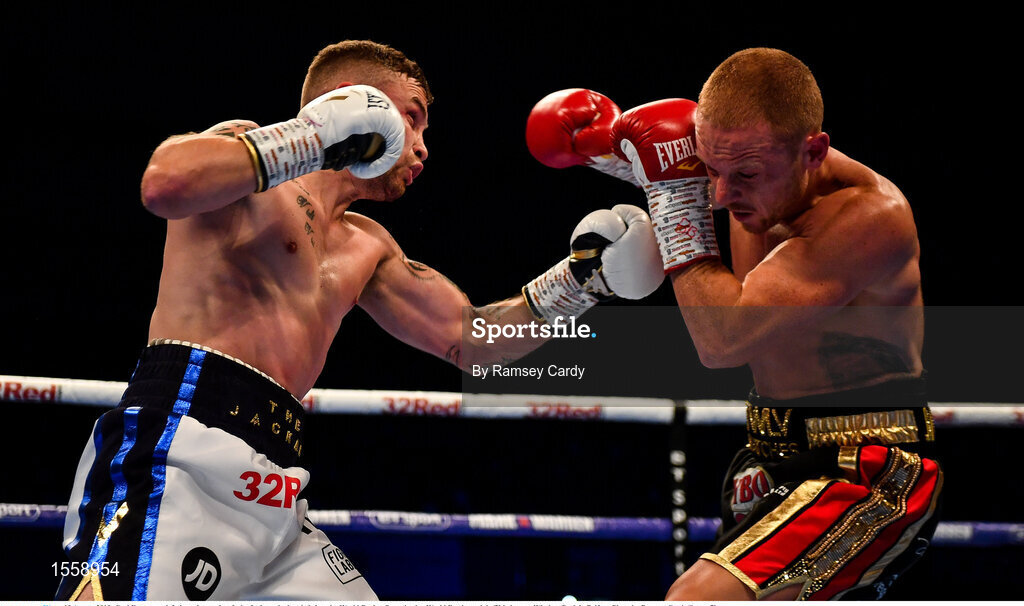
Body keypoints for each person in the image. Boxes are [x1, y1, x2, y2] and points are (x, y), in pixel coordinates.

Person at [55, 39, 664, 600]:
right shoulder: (248, 164)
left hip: (274, 484)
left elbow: (471, 343)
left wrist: (583, 282)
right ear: (355, 102)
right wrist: (312, 137)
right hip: (176, 448)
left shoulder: (367, 247)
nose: (423, 145)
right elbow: (164, 183)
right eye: (414, 115)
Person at [529, 48, 942, 601]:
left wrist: (672, 195)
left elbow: (723, 341)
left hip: (866, 466)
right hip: (768, 453)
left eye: (744, 174)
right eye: (711, 169)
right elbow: (676, 166)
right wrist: (599, 151)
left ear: (813, 151)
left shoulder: (866, 217)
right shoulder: (750, 170)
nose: (722, 193)